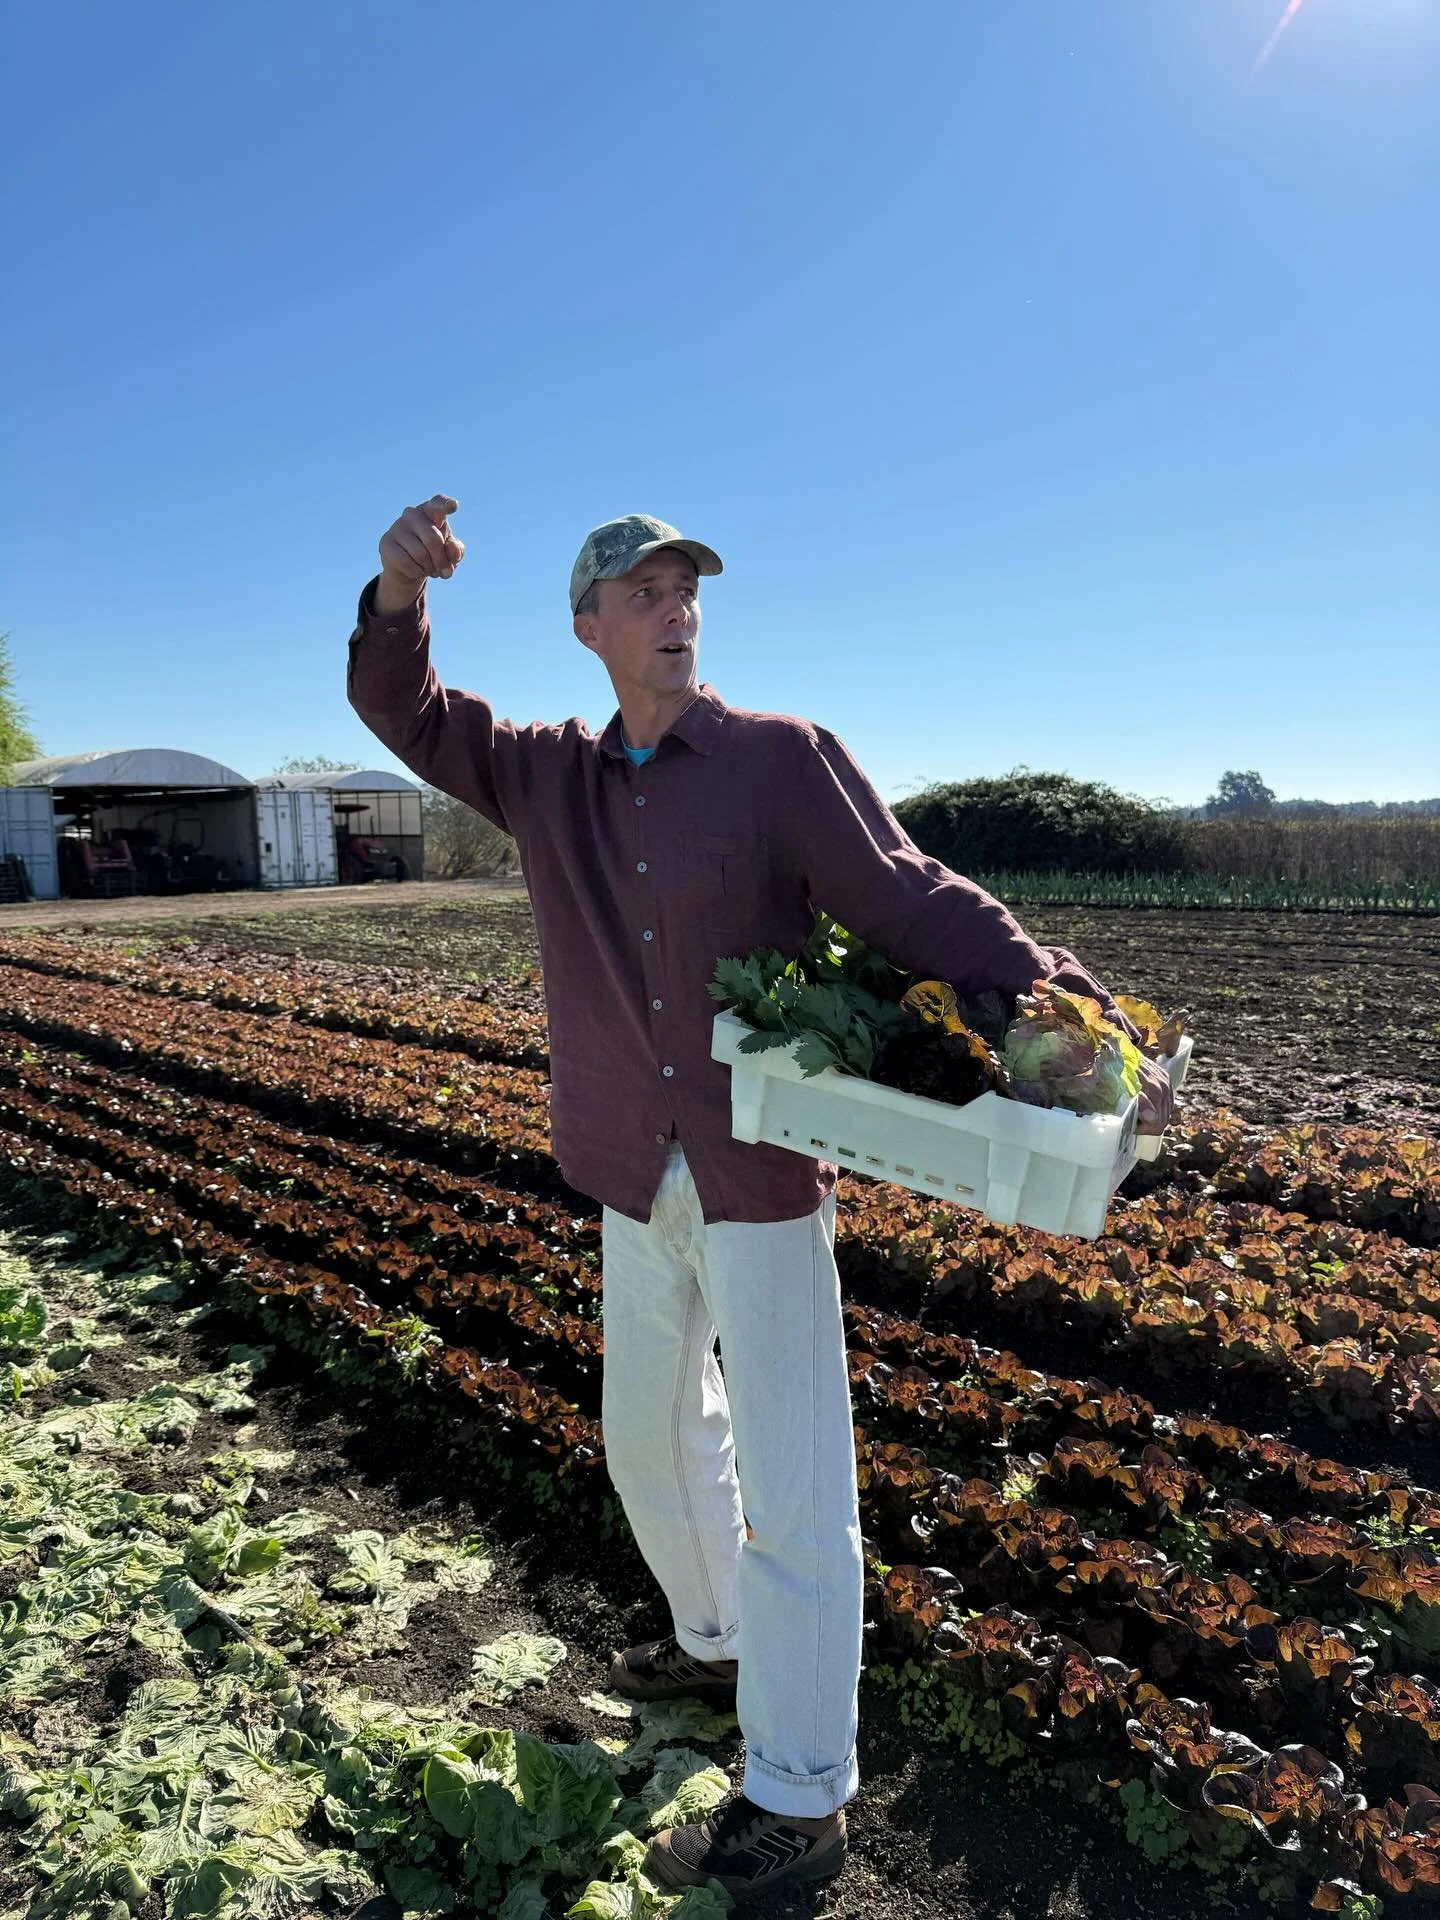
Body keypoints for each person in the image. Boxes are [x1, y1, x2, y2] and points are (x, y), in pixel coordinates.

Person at [347, 496, 1173, 1902]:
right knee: (649, 1444)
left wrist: (1081, 1020)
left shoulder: (783, 761)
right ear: (588, 626)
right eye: (642, 588)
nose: (674, 606)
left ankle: (798, 1795)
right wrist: (393, 592)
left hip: (760, 1170)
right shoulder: (544, 774)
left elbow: (916, 902)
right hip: (624, 1159)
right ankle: (724, 1638)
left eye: (686, 587)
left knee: (797, 1490)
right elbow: (409, 711)